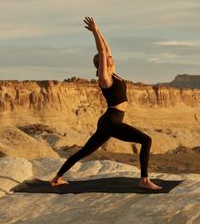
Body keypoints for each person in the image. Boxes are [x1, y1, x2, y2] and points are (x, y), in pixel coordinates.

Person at [50, 16, 162, 190]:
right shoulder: (105, 78)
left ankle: (56, 178)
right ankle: (144, 180)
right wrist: (94, 32)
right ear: (102, 63)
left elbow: (106, 49)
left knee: (83, 152)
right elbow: (102, 52)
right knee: (146, 140)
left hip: (109, 121)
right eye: (107, 58)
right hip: (111, 121)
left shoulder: (114, 73)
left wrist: (99, 30)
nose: (110, 57)